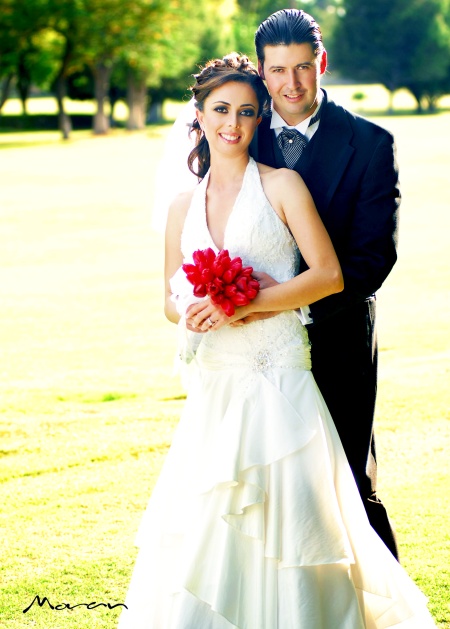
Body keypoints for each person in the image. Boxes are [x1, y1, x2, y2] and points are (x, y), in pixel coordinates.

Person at [118, 53, 435, 628]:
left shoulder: (283, 185)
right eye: (220, 110)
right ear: (199, 114)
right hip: (217, 380)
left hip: (279, 373)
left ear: (261, 117)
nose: (232, 124)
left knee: (296, 516)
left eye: (245, 111)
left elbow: (330, 276)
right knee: (211, 518)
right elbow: (168, 299)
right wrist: (191, 312)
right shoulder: (181, 205)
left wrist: (244, 302)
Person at [247, 8, 401, 559]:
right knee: (263, 489)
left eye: (304, 68)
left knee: (350, 485)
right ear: (262, 72)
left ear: (322, 63)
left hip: (337, 340)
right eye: (279, 70)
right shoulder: (238, 138)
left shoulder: (371, 144)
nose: (292, 84)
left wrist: (289, 305)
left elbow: (372, 259)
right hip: (256, 350)